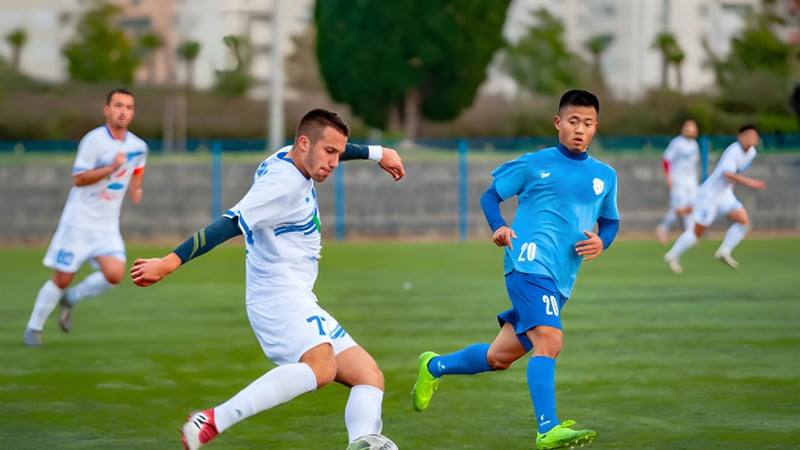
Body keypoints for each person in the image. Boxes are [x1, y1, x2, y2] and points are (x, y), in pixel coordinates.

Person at [129, 109, 405, 450]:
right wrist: (168, 262)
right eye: (329, 153)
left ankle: (362, 443)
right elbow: (228, 223)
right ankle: (213, 420)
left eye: (337, 153)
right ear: (303, 143)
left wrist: (377, 153)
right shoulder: (282, 184)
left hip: (298, 295)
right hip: (277, 297)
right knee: (321, 369)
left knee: (367, 375)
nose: (334, 162)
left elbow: (332, 147)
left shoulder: (292, 157)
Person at [411, 90, 619, 450]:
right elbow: (490, 195)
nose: (579, 130)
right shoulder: (534, 164)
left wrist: (603, 241)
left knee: (499, 358)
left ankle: (434, 367)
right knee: (550, 340)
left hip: (561, 279)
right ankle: (547, 428)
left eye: (587, 123)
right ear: (558, 123)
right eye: (573, 121)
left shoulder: (605, 175)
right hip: (526, 263)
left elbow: (611, 222)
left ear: (595, 127)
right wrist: (499, 226)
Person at [23, 88, 147, 346]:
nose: (124, 112)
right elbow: (78, 179)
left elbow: (137, 168)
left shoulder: (138, 146)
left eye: (129, 107)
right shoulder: (93, 141)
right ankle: (33, 329)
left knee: (114, 275)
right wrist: (111, 167)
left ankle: (71, 298)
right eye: (118, 106)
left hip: (107, 226)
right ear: (107, 110)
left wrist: (136, 189)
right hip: (78, 222)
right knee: (63, 277)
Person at [663, 125, 765, 274]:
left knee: (743, 221)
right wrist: (750, 182)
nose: (752, 139)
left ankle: (724, 251)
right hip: (709, 195)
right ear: (740, 136)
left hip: (724, 194)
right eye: (748, 135)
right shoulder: (734, 150)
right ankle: (672, 255)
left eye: (754, 136)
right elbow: (727, 174)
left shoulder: (751, 153)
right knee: (697, 231)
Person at [656, 119, 700, 245]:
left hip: (690, 181)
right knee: (679, 208)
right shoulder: (677, 143)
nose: (691, 130)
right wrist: (668, 177)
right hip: (678, 180)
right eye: (688, 127)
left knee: (691, 207)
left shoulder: (694, 145)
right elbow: (666, 160)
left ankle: (690, 234)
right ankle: (663, 228)